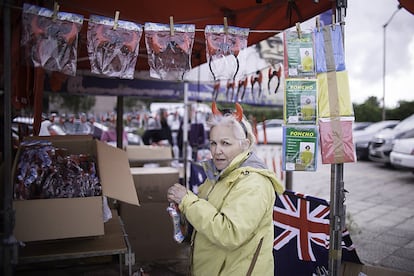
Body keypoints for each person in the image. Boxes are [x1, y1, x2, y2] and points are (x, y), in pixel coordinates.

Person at [167, 102, 284, 276]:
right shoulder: (220, 174)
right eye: (213, 143)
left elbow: (229, 233)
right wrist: (182, 211)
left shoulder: (254, 183)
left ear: (245, 144)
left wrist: (187, 201)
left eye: (226, 143)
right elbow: (207, 217)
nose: (217, 151)